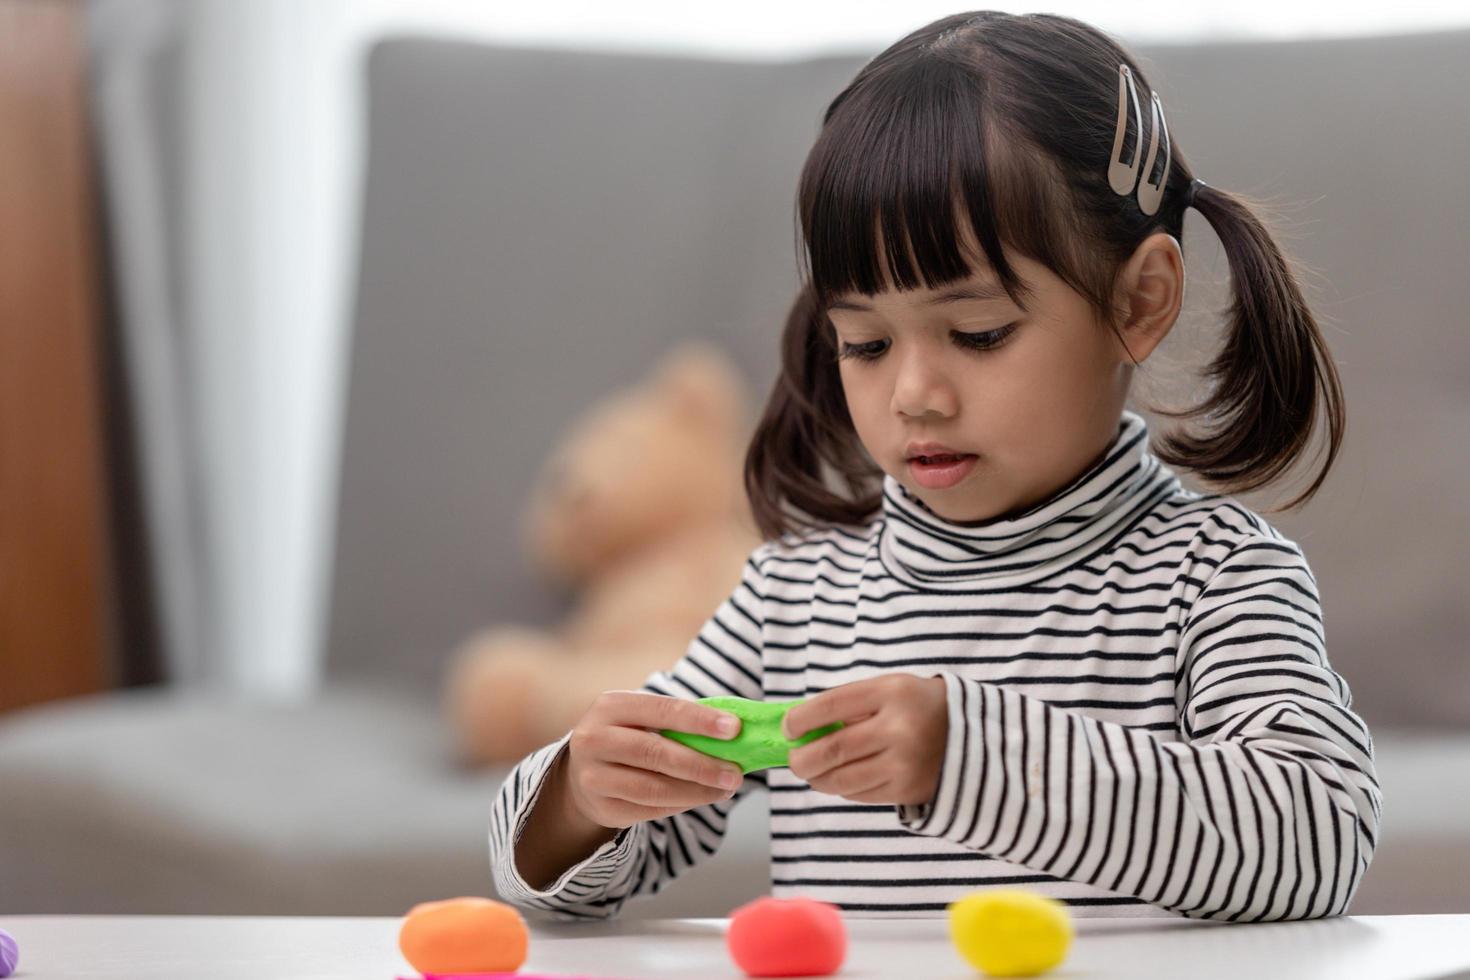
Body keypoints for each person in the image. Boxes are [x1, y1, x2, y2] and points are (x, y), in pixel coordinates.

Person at [486, 10, 1381, 923]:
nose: (915, 393)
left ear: (1140, 301)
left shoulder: (1218, 581)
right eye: (866, 343)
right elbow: (568, 875)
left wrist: (975, 758)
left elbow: (1319, 837)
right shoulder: (795, 598)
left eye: (978, 333)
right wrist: (579, 797)